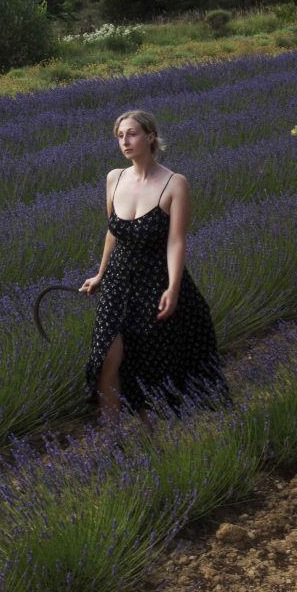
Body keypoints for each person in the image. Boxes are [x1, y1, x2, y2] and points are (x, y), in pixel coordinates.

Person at [80, 109, 229, 416]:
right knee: (107, 356)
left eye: (131, 134)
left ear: (150, 137)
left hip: (155, 280)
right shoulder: (114, 179)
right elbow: (113, 232)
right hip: (118, 282)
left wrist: (173, 288)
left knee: (148, 359)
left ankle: (153, 436)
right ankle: (112, 439)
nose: (125, 141)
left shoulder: (175, 184)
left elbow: (176, 241)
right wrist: (100, 274)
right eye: (120, 136)